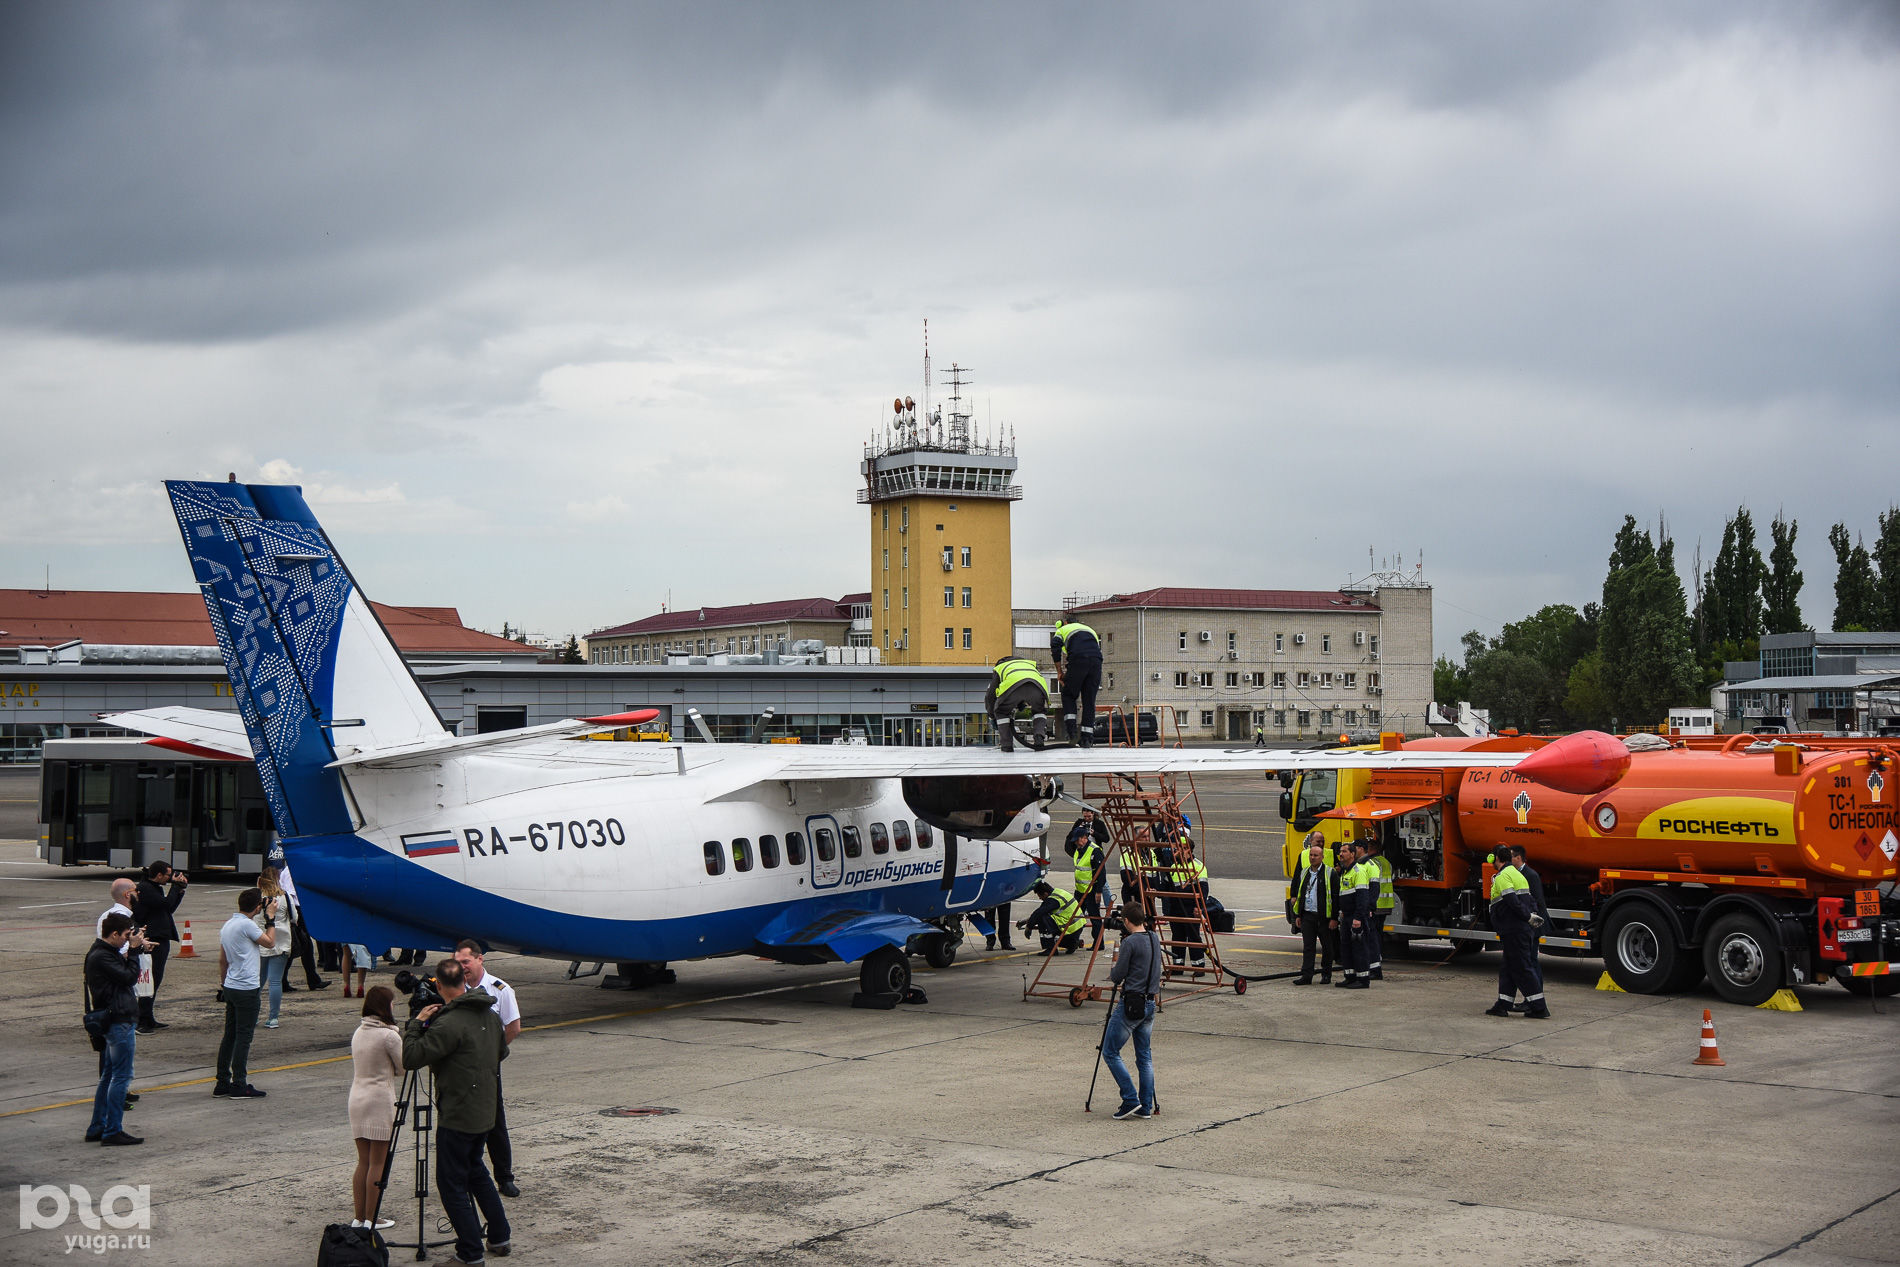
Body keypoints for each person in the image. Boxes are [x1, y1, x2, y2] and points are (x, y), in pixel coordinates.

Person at [402, 958, 511, 1266]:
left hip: (459, 1113)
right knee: (476, 1170)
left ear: (438, 984)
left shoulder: (448, 1023)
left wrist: (416, 1024)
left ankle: (469, 1253)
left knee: (451, 1183)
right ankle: (500, 1235)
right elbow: (502, 1051)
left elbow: (411, 1057)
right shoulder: (489, 1015)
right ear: (464, 981)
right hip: (485, 1110)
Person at [454, 940, 522, 1199]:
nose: (463, 968)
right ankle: (465, 1174)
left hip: (487, 1067)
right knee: (462, 1122)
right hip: (460, 1069)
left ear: (480, 960)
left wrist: (490, 1055)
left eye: (466, 962)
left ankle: (504, 1177)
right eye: (458, 963)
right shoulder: (454, 989)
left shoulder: (499, 989)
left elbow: (513, 1027)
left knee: (494, 1122)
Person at [85, 912, 152, 1145]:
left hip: (115, 1019)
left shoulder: (104, 953)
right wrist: (134, 952)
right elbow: (129, 977)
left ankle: (98, 1126)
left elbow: (121, 970)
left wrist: (136, 948)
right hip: (118, 1021)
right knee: (120, 1078)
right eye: (125, 936)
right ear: (113, 934)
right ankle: (112, 1129)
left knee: (109, 1076)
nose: (126, 940)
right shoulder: (102, 957)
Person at [348, 985, 403, 1231]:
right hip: (380, 1099)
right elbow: (403, 1067)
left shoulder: (359, 1031)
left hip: (357, 1098)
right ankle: (372, 1218)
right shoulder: (389, 1036)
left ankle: (359, 1216)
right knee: (378, 1163)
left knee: (363, 1162)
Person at [1102, 903, 1162, 1119]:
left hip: (1131, 1003)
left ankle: (1130, 1099)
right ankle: (1145, 1106)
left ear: (1126, 921)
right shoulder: (1154, 938)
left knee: (1109, 1051)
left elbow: (1118, 975)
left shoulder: (1130, 942)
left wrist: (1114, 967)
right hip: (1149, 1003)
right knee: (1144, 1057)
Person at [216, 886, 275, 1097]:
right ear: (258, 906)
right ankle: (239, 1083)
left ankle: (222, 1081)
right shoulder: (247, 925)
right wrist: (271, 920)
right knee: (244, 1037)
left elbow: (222, 960)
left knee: (230, 1035)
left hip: (231, 985)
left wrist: (223, 985)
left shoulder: (228, 925)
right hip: (247, 987)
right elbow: (269, 943)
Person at [1485, 850, 1548, 1019]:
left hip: (1514, 929)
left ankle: (1539, 1007)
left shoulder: (1503, 876)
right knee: (1508, 967)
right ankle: (1503, 1004)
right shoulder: (1518, 875)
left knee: (1522, 968)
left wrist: (1527, 917)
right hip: (1519, 929)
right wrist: (1530, 917)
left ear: (1497, 859)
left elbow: (1512, 901)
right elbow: (1530, 900)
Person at [130, 861, 189, 1032]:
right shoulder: (147, 888)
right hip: (153, 939)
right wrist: (176, 887)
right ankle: (141, 1021)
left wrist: (180, 890)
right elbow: (165, 905)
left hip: (160, 938)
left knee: (155, 980)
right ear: (158, 875)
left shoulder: (153, 887)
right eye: (168, 875)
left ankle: (148, 1018)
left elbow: (168, 909)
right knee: (150, 980)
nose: (170, 878)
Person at [269, 851, 330, 992]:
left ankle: (309, 980)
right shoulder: (292, 871)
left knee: (302, 944)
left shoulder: (290, 869)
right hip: (296, 908)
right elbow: (291, 893)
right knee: (301, 944)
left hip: (297, 908)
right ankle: (303, 980)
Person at [1502, 846, 1551, 1014]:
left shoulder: (1530, 875)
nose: (1509, 862)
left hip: (1532, 926)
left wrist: (1529, 923)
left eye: (1511, 858)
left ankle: (1533, 1000)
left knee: (1530, 962)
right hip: (1526, 925)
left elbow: (1535, 902)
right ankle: (1529, 999)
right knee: (1527, 962)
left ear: (1518, 858)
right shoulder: (1520, 874)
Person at [1284, 832, 1336, 985]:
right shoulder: (1304, 872)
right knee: (1308, 947)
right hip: (1308, 915)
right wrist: (1298, 915)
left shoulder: (1330, 873)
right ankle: (1306, 975)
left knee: (1327, 948)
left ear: (1322, 857)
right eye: (1311, 855)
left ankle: (1326, 974)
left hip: (1324, 916)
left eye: (1316, 856)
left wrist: (1333, 918)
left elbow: (1335, 897)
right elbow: (1299, 891)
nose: (1312, 857)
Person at [1050, 619, 1103, 747]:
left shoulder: (1062, 630)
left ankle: (1072, 735)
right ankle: (1087, 739)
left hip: (1078, 659)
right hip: (1096, 662)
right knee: (1089, 700)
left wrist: (1059, 671)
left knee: (1068, 694)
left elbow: (1055, 645)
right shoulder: (1090, 630)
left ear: (1065, 623)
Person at [986, 655, 1052, 753]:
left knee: (1001, 712)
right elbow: (1026, 686)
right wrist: (1020, 703)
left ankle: (1006, 745)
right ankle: (1039, 738)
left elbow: (991, 695)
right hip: (1038, 687)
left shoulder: (1000, 667)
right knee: (1039, 711)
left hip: (1013, 687)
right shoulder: (1030, 664)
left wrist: (992, 715)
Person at [256, 867, 295, 1028]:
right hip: (281, 942)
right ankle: (273, 1018)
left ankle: (253, 1015)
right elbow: (294, 918)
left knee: (257, 981)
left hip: (261, 941)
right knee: (275, 981)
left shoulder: (258, 897)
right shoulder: (285, 896)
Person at [1067, 811, 1111, 949]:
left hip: (1091, 892)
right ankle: (1073, 941)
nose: (1075, 842)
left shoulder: (1094, 851)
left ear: (1084, 838)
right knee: (1075, 917)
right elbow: (1068, 844)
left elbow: (1101, 873)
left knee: (1095, 917)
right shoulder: (1078, 849)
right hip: (1080, 891)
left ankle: (1099, 944)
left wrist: (1098, 892)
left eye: (1077, 839)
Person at [1332, 841, 1370, 989]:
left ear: (1352, 854)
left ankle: (1363, 979)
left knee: (1359, 949)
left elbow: (1362, 897)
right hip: (1346, 916)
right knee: (1346, 948)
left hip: (1355, 917)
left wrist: (1358, 918)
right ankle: (1350, 977)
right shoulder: (1345, 872)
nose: (1341, 854)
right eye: (1340, 852)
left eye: (1344, 851)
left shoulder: (1358, 871)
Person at [1018, 881, 1087, 954]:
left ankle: (1050, 949)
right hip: (1077, 927)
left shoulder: (1052, 900)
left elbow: (1039, 913)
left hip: (1069, 928)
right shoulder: (1058, 893)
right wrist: (1026, 921)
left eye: (1040, 896)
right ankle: (1072, 944)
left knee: (1043, 919)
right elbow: (1039, 913)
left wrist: (1029, 927)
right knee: (1048, 921)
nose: (1040, 898)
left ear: (1045, 894)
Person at [1361, 838, 1389, 982]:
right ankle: (1378, 958)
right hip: (1386, 903)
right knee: (1378, 933)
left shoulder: (1372, 863)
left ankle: (1375, 961)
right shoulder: (1385, 861)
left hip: (1376, 904)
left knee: (1373, 936)